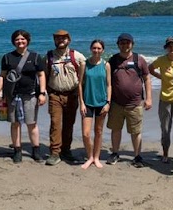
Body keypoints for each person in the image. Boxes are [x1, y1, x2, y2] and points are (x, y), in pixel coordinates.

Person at [0, 29, 48, 164]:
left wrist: (42, 93)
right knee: (15, 123)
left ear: (27, 41)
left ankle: (36, 150)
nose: (20, 41)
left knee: (32, 123)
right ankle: (17, 151)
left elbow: (41, 75)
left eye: (23, 39)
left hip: (30, 96)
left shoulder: (35, 57)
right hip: (12, 96)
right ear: (13, 41)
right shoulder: (7, 57)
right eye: (17, 39)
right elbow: (2, 76)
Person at [106, 33, 153, 168]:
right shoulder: (113, 60)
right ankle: (115, 153)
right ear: (118, 44)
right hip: (116, 103)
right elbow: (107, 81)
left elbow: (147, 79)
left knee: (136, 131)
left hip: (135, 103)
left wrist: (149, 98)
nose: (125, 45)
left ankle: (137, 156)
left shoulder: (139, 59)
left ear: (132, 44)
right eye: (122, 43)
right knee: (116, 129)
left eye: (127, 42)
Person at [45, 29, 86, 166]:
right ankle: (55, 153)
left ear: (69, 40)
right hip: (55, 95)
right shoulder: (49, 56)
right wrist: (45, 92)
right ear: (54, 40)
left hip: (72, 95)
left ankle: (66, 151)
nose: (60, 40)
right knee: (55, 124)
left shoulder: (77, 56)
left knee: (69, 125)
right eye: (57, 38)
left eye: (63, 38)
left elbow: (83, 78)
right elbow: (44, 76)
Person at [148, 36, 173, 163]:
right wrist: (160, 77)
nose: (172, 48)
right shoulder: (161, 60)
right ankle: (165, 154)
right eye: (169, 46)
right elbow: (150, 68)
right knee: (165, 129)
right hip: (165, 100)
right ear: (166, 48)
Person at [80, 39, 111, 169]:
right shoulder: (84, 64)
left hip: (101, 103)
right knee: (86, 133)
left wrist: (108, 102)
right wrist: (81, 102)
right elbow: (79, 85)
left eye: (99, 48)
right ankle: (90, 156)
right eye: (94, 48)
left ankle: (96, 157)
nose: (96, 50)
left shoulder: (106, 65)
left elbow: (109, 85)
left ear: (103, 50)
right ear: (90, 49)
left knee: (98, 131)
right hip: (87, 102)